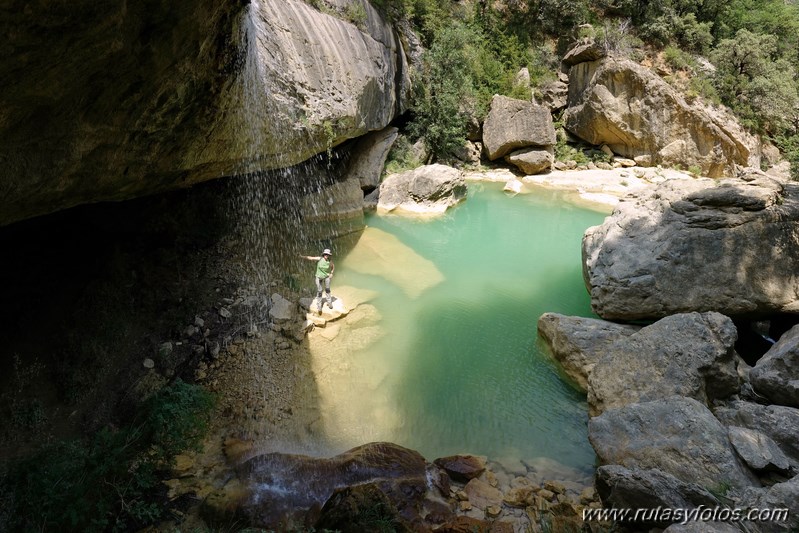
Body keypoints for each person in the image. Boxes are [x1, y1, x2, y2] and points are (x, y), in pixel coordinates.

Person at [301, 248, 335, 313]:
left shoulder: (330, 261)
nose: (326, 255)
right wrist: (302, 256)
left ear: (329, 255)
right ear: (323, 254)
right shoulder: (320, 258)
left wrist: (331, 273)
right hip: (318, 277)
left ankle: (329, 303)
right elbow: (311, 258)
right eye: (325, 254)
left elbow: (333, 266)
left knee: (327, 289)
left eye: (327, 254)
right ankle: (319, 305)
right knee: (319, 291)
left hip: (326, 277)